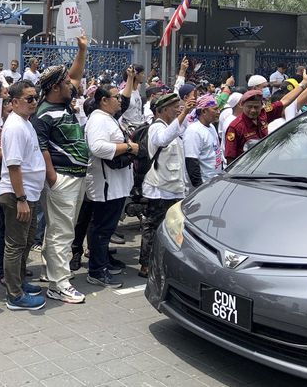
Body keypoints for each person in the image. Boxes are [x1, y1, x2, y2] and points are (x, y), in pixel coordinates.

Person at [33, 34, 89, 304]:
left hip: (74, 178)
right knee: (62, 232)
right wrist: (53, 178)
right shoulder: (43, 113)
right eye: (66, 83)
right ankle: (59, 283)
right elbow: (41, 148)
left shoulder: (62, 102)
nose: (72, 85)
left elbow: (76, 76)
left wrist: (82, 50)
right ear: (56, 87)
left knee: (58, 229)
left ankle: (52, 271)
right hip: (63, 180)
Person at [84, 83, 139, 289]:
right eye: (116, 97)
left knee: (106, 228)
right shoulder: (98, 119)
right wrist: (128, 147)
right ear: (104, 100)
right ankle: (97, 271)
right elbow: (97, 147)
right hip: (106, 184)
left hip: (116, 183)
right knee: (102, 228)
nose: (120, 100)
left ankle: (104, 260)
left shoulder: (108, 119)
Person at [0, 80, 46, 310]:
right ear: (15, 102)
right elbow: (14, 167)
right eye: (29, 99)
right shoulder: (16, 126)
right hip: (18, 194)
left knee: (26, 242)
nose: (34, 102)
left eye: (36, 98)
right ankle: (14, 295)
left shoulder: (25, 122)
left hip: (29, 193)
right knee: (15, 245)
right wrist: (21, 199)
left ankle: (19, 282)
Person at [139, 93, 195, 278]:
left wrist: (186, 111)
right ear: (162, 110)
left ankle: (164, 262)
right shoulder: (156, 128)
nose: (178, 110)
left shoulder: (173, 127)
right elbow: (163, 139)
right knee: (153, 228)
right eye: (174, 107)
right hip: (158, 189)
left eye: (179, 106)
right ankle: (146, 264)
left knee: (172, 228)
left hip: (174, 188)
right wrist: (184, 112)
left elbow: (179, 128)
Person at [224, 81, 305, 164]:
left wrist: (303, 84)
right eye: (249, 107)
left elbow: (285, 101)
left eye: (256, 107)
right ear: (242, 105)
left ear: (262, 105)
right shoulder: (235, 127)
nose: (253, 110)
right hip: (245, 170)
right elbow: (230, 159)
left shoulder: (264, 114)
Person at [184, 94, 222, 188]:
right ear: (204, 111)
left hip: (214, 183)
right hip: (204, 185)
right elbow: (191, 161)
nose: (218, 112)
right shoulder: (194, 131)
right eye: (215, 109)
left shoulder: (212, 126)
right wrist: (200, 188)